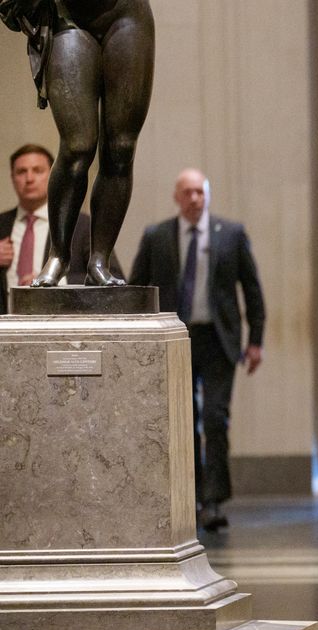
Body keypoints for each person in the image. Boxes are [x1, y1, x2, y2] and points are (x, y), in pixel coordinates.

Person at [129, 168, 266, 533]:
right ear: (176, 197)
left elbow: (252, 290)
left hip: (219, 340)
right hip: (176, 339)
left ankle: (214, 500)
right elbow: (137, 287)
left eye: (200, 193)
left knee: (216, 419)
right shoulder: (157, 236)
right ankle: (188, 498)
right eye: (187, 192)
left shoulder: (232, 235)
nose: (194, 199)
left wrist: (256, 341)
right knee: (183, 421)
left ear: (208, 196)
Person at [3, 0, 155, 288]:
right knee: (77, 146)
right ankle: (59, 254)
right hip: (68, 16)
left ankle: (99, 260)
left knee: (120, 148)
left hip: (127, 15)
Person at [0, 143, 120, 311]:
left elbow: (115, 277)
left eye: (37, 170)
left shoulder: (82, 225)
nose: (29, 179)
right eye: (21, 172)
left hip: (60, 318)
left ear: (52, 176)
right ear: (12, 177)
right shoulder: (2, 224)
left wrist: (56, 280)